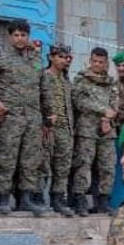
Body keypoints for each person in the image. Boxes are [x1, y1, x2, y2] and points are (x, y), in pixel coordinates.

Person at [0, 19, 47, 215]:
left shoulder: (35, 58)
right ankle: (4, 198)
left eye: (23, 35)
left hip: (33, 117)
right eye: (16, 35)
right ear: (9, 36)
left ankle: (26, 199)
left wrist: (46, 117)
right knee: (7, 156)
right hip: (9, 116)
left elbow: (42, 87)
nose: (20, 39)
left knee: (31, 159)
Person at [71, 47, 119, 216]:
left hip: (106, 130)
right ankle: (81, 202)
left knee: (107, 166)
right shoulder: (81, 78)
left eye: (101, 62)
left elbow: (115, 103)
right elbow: (78, 101)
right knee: (83, 165)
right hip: (86, 129)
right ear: (90, 61)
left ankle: (103, 203)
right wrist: (102, 110)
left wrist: (108, 119)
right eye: (94, 61)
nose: (97, 64)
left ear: (106, 62)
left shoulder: (111, 82)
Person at [41, 44, 76, 217]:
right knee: (43, 165)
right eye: (60, 57)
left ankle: (58, 199)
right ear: (51, 57)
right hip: (48, 128)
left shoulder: (66, 80)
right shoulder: (44, 77)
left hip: (65, 129)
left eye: (66, 57)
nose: (64, 61)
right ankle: (38, 198)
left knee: (62, 167)